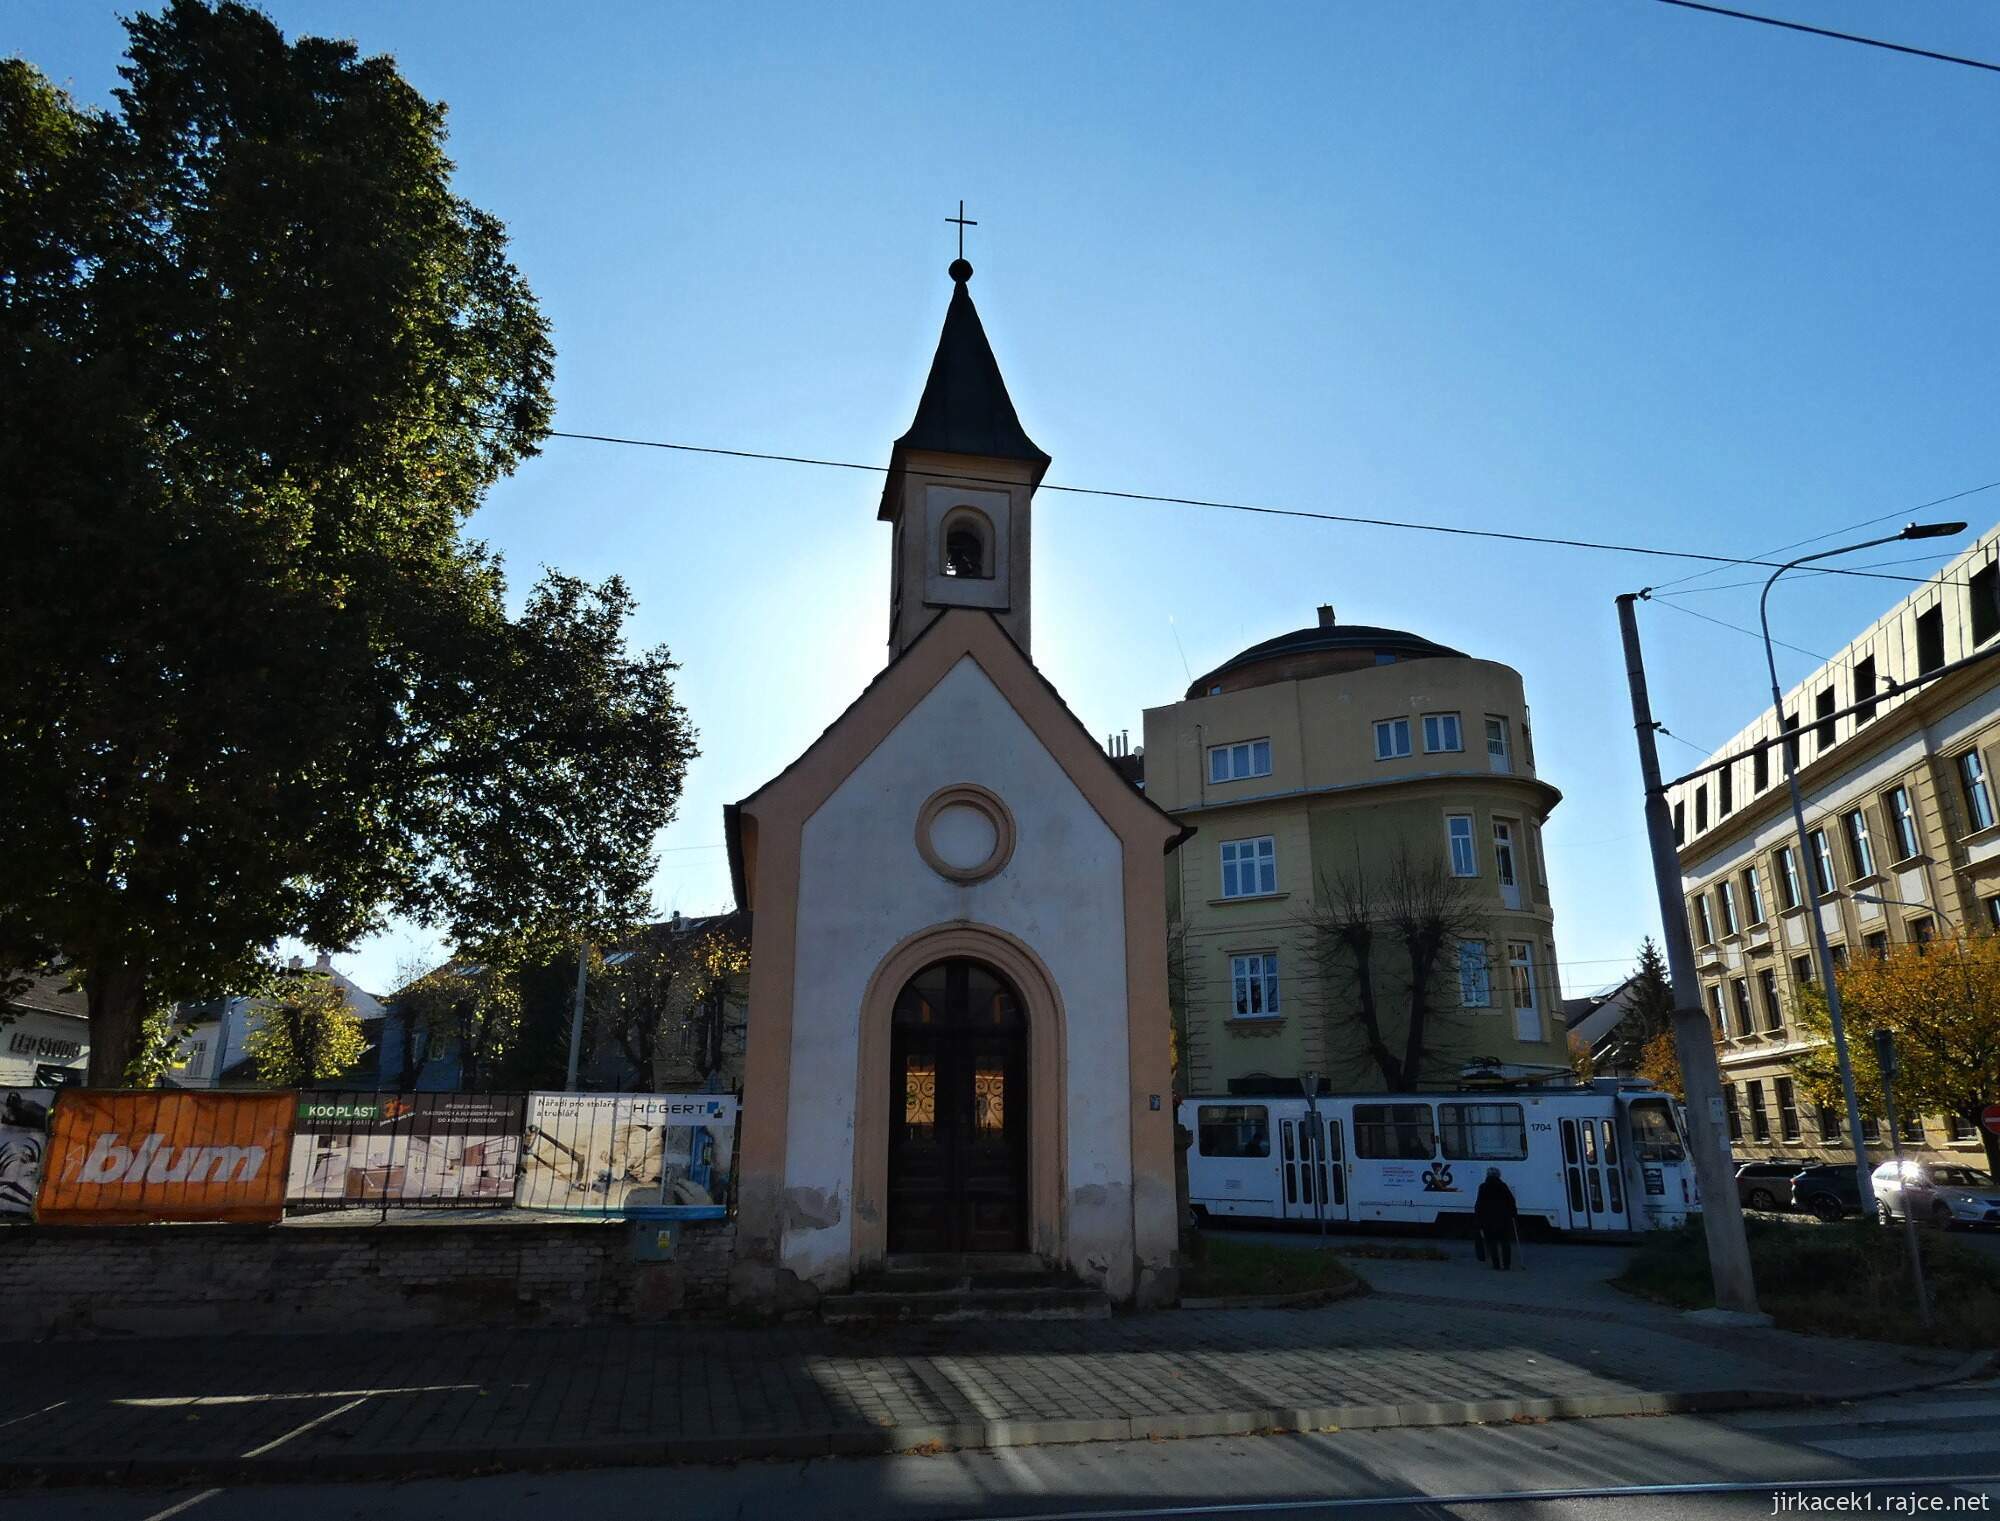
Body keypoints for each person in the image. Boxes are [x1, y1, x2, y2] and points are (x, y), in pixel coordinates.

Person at [1473, 1167, 1519, 1271]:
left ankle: (1496, 1264)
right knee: (1505, 1242)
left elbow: (1479, 1204)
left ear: (1487, 1175)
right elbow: (1511, 1202)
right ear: (1499, 1175)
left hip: (1488, 1220)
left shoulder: (1483, 1187)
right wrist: (1514, 1215)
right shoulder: (1503, 1186)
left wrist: (1478, 1219)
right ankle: (1506, 1265)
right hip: (1503, 1219)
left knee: (1492, 1242)